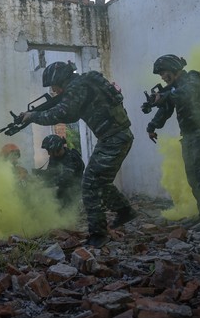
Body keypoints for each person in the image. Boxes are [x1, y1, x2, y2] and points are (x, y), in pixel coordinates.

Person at [20, 61, 137, 248]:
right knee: (100, 181)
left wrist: (33, 116)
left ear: (60, 79)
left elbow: (63, 112)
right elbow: (72, 116)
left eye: (54, 86)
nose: (54, 90)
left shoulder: (77, 87)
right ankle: (124, 211)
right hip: (115, 137)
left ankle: (99, 234)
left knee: (89, 183)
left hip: (113, 138)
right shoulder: (83, 84)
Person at [145, 55, 200, 231]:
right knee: (194, 178)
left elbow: (182, 94)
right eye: (160, 75)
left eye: (164, 73)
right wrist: (152, 126)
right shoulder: (174, 89)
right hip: (189, 137)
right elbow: (167, 108)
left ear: (174, 68)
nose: (163, 77)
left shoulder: (194, 80)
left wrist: (164, 95)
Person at [33, 134, 85, 208]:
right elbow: (51, 172)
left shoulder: (72, 157)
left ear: (56, 148)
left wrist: (45, 184)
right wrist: (39, 176)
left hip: (73, 194)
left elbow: (67, 178)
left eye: (49, 150)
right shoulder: (54, 157)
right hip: (60, 191)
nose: (48, 153)